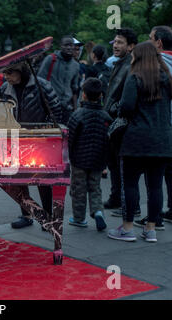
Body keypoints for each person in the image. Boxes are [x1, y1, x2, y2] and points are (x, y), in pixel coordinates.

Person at [108, 41, 172, 242]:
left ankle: (128, 228)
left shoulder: (135, 78)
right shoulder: (166, 79)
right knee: (155, 187)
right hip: (163, 141)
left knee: (130, 184)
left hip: (137, 140)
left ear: (139, 58)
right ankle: (151, 229)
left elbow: (126, 108)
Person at [134, 26, 172, 228]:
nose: (148, 42)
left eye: (150, 38)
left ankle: (153, 216)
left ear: (159, 43)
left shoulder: (157, 64)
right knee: (170, 169)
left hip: (159, 122)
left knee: (154, 172)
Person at [0, 63, 63, 229]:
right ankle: (26, 214)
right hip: (15, 138)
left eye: (10, 72)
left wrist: (45, 131)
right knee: (18, 178)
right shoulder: (5, 88)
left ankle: (47, 216)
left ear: (21, 72)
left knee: (43, 179)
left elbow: (56, 110)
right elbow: (0, 112)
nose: (6, 76)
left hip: (39, 139)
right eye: (5, 73)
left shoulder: (41, 85)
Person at [67, 78, 112, 231]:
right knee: (95, 187)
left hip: (79, 160)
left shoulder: (77, 115)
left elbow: (70, 138)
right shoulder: (106, 117)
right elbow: (108, 140)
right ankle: (98, 211)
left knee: (78, 188)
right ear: (101, 96)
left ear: (83, 95)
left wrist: (70, 157)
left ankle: (79, 218)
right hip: (98, 160)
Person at [103, 28, 138, 215]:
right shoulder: (119, 64)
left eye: (120, 42)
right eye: (115, 42)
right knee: (114, 163)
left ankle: (126, 202)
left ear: (131, 46)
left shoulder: (130, 65)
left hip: (120, 121)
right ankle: (116, 197)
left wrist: (112, 111)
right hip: (112, 119)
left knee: (121, 164)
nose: (116, 45)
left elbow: (123, 96)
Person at [38, 35, 80, 123]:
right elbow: (40, 81)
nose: (69, 48)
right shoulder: (50, 59)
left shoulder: (76, 65)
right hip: (50, 106)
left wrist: (75, 109)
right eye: (66, 45)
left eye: (71, 45)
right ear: (61, 46)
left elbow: (74, 88)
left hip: (67, 107)